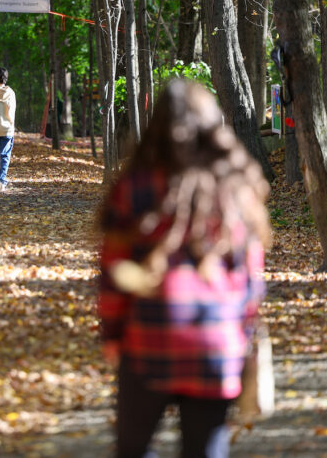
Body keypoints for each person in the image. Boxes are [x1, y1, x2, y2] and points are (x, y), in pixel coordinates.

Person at [98, 79, 270, 458]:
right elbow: (251, 283)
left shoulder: (135, 187)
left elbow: (114, 274)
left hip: (149, 342)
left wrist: (112, 335)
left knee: (133, 448)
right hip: (216, 345)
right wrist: (242, 337)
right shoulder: (237, 187)